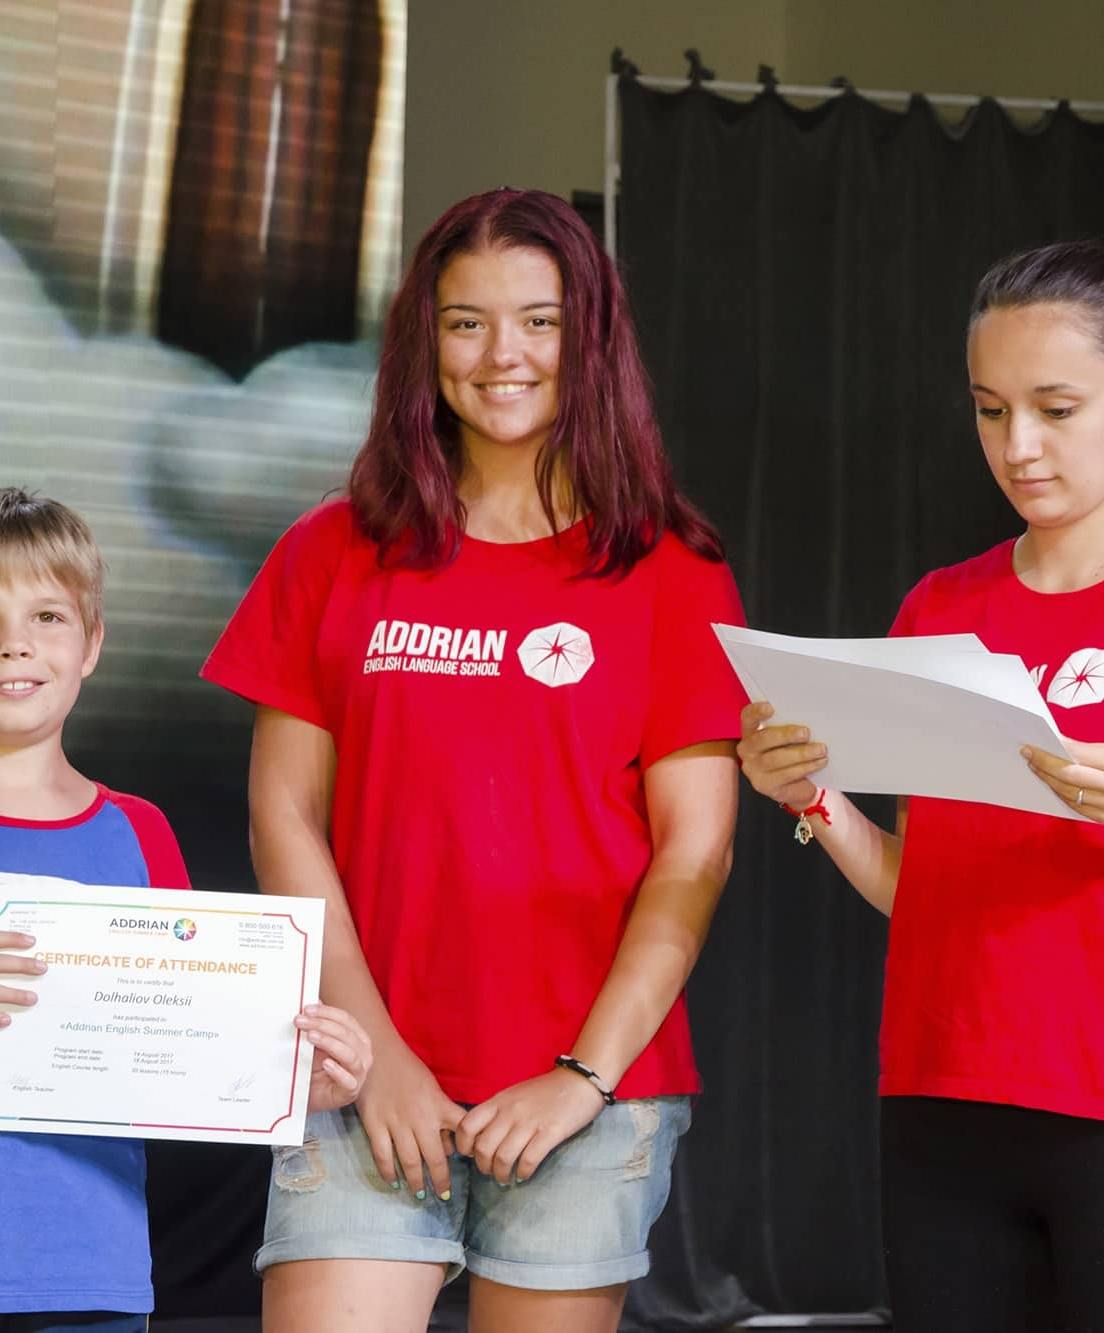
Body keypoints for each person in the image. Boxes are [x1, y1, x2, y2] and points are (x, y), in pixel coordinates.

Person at [202, 188, 745, 1333]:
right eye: (466, 322)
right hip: (357, 1073)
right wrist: (380, 1058)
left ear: (589, 340)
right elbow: (283, 818)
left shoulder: (671, 569)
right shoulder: (332, 550)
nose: (504, 355)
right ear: (424, 340)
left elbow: (694, 852)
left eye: (539, 321)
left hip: (585, 1095)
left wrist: (580, 1078)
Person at [739, 242, 1104, 1333]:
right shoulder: (939, 606)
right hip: (939, 1103)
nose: (1017, 446)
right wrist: (812, 798)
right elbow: (923, 887)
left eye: (1054, 408)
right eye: (991, 410)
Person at [0, 487, 373, 1331]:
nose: (14, 642)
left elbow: (187, 1051)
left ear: (91, 644)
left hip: (90, 1276)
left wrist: (297, 1081)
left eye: (48, 615)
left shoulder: (140, 834)